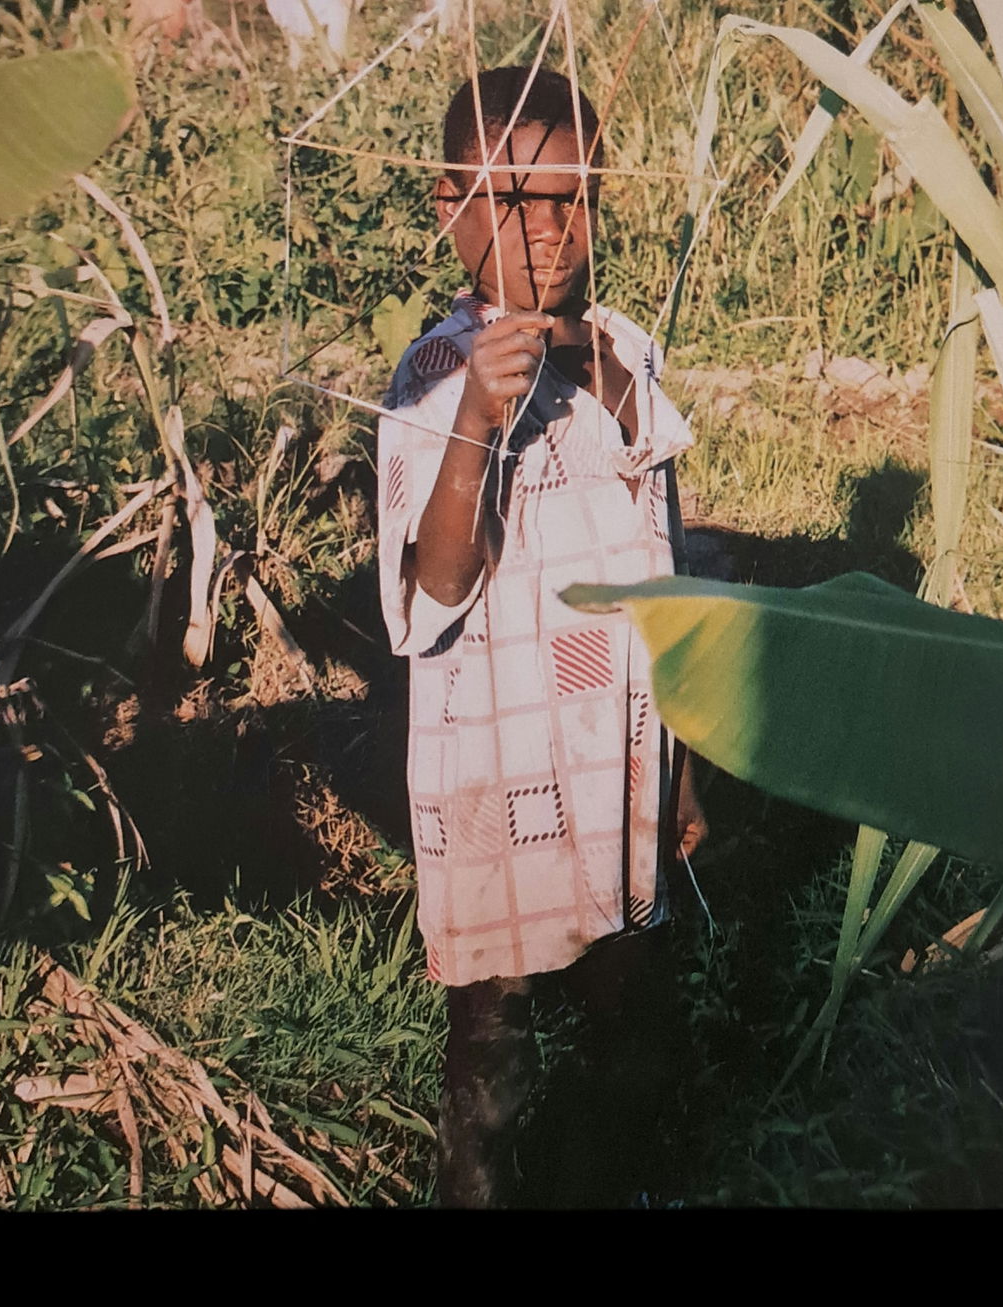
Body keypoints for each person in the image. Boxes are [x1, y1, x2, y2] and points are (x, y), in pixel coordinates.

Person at [376, 66, 706, 1208]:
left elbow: (664, 560)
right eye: (516, 201)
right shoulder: (429, 378)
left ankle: (621, 1172)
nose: (551, 229)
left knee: (631, 1001)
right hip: (500, 757)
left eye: (574, 198)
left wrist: (686, 750)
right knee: (495, 1044)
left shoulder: (626, 357)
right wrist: (477, 415)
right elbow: (437, 580)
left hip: (619, 743)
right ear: (449, 203)